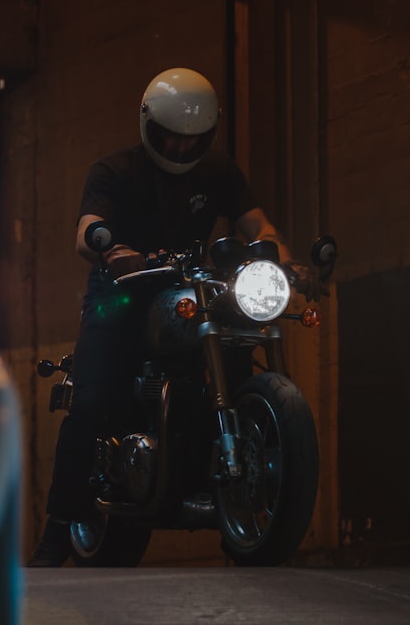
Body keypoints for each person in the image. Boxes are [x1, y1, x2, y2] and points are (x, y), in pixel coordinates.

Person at [28, 67, 326, 567]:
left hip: (190, 285)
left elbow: (259, 224)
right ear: (150, 126)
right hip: (121, 289)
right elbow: (87, 229)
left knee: (236, 352)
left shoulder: (220, 172)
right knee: (95, 397)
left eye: (194, 140)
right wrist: (112, 250)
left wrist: (286, 261)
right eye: (172, 137)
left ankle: (228, 489)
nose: (183, 149)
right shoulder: (114, 171)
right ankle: (57, 530)